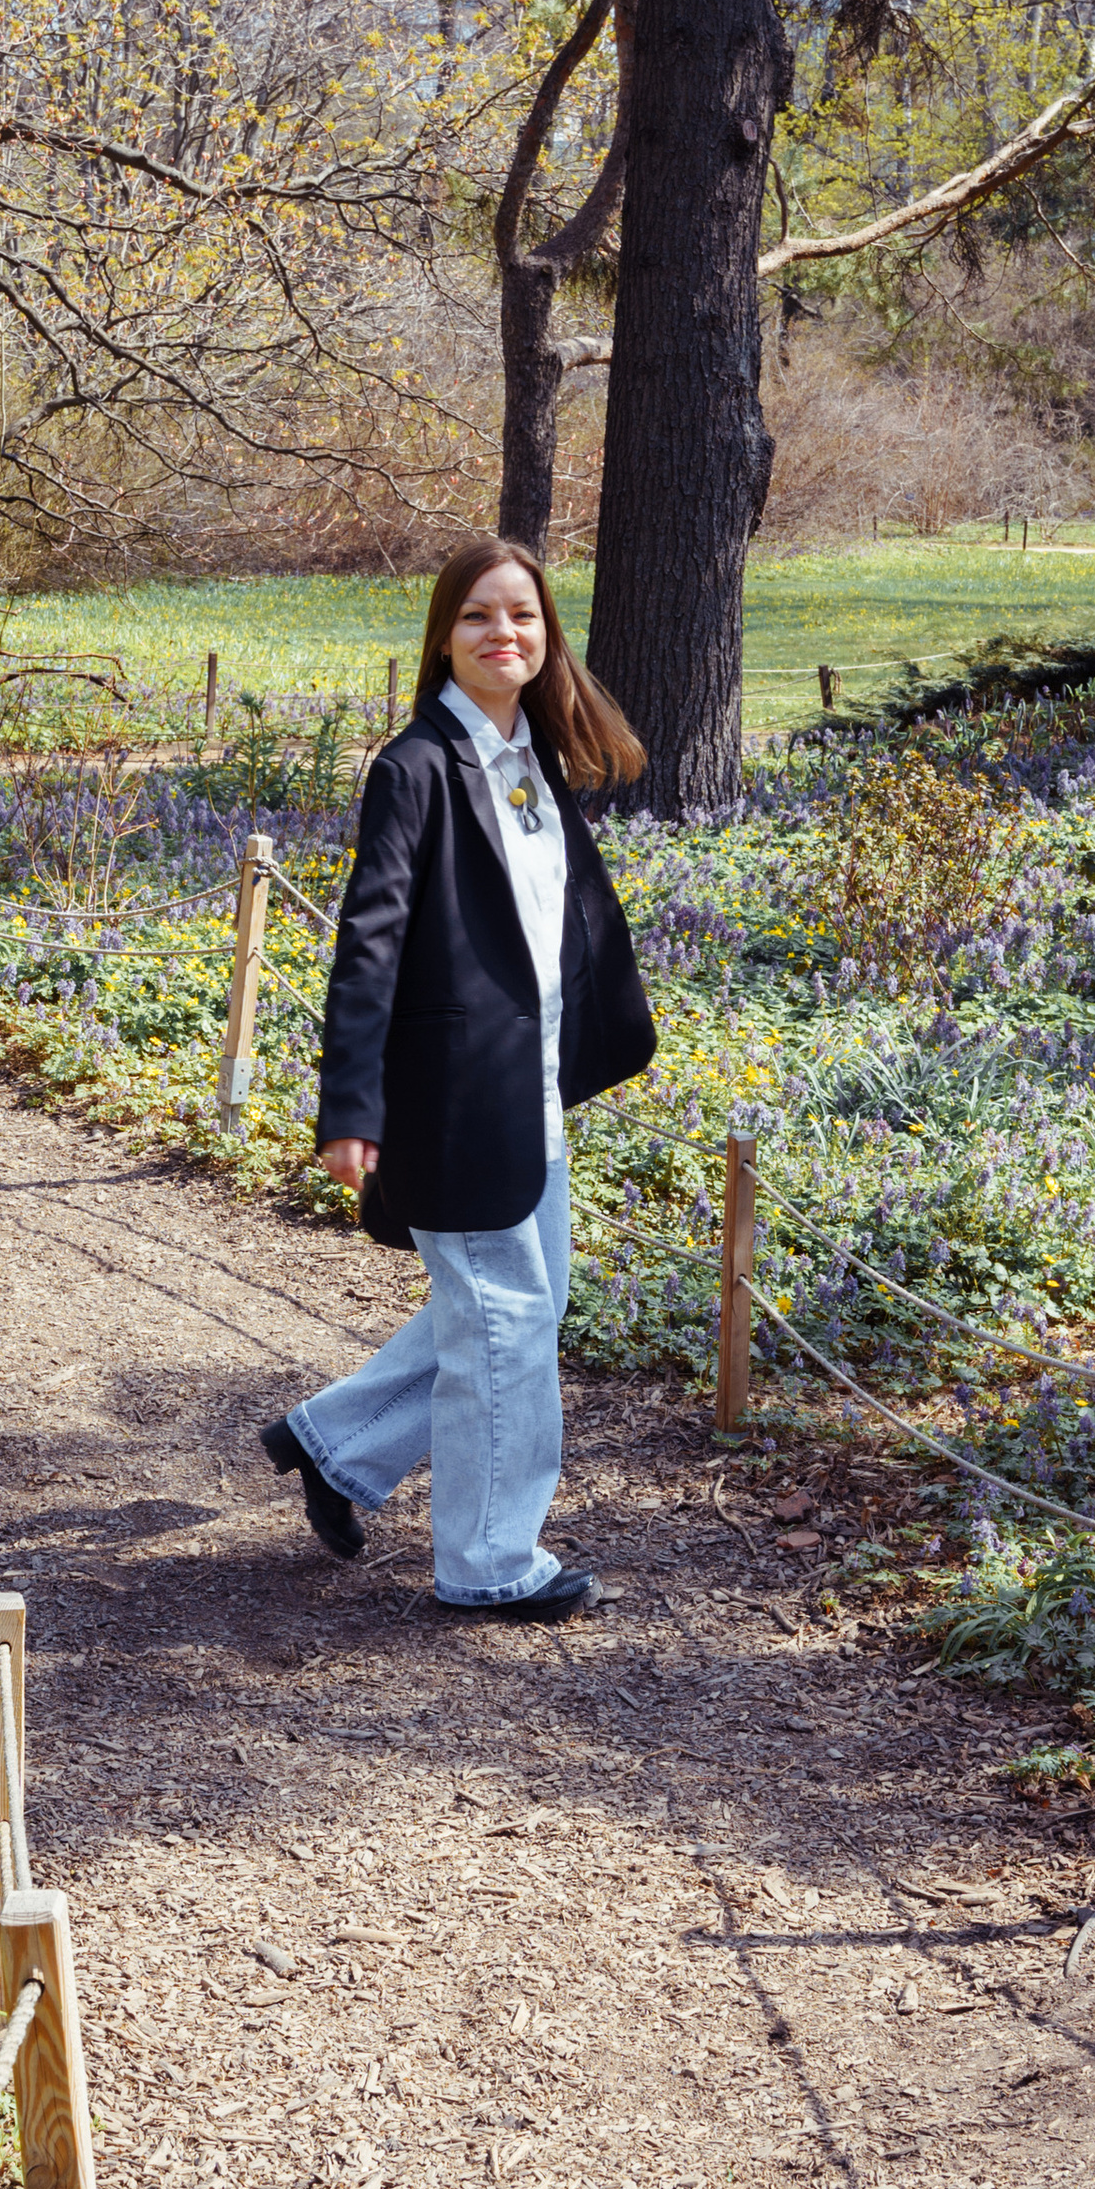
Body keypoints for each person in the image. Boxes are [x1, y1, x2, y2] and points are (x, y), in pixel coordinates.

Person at [260, 536, 656, 1620]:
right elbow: (369, 943)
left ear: (546, 636)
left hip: (525, 1092)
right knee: (506, 1323)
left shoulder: (532, 760)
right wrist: (350, 1106)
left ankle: (333, 1442)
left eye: (522, 616)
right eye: (480, 615)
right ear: (445, 635)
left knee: (517, 1308)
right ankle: (487, 1561)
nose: (503, 635)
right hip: (446, 1097)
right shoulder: (416, 767)